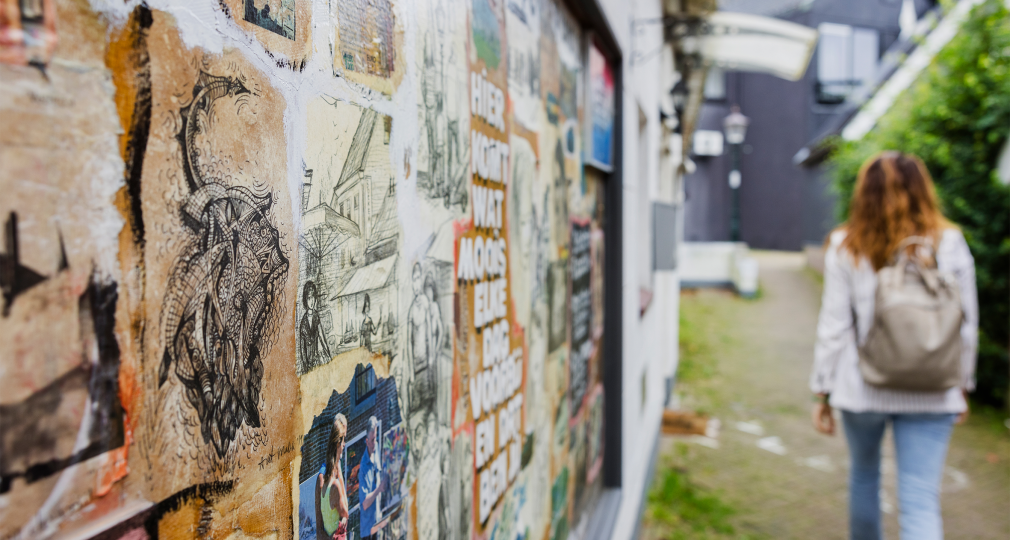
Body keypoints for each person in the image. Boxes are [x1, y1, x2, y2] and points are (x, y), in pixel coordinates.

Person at [810, 152, 978, 540]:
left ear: (863, 193)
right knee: (920, 499)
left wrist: (822, 389)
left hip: (862, 387)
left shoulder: (845, 243)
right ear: (924, 190)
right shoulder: (950, 242)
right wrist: (962, 384)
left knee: (864, 479)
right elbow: (967, 325)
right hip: (934, 390)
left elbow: (833, 325)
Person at [315, 414, 349, 540]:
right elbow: (346, 512)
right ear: (337, 443)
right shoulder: (330, 482)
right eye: (344, 439)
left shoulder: (324, 478)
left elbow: (319, 530)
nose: (344, 444)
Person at [359, 416, 387, 540]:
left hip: (378, 521)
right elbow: (365, 504)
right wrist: (379, 489)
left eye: (375, 439)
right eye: (372, 440)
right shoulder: (363, 468)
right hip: (368, 531)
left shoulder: (376, 452)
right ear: (366, 441)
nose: (374, 443)